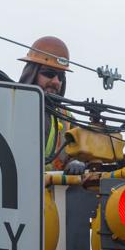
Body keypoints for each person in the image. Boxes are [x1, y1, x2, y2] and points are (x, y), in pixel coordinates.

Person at [18, 36, 85, 173]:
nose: (56, 81)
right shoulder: (12, 108)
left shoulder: (67, 119)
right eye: (49, 74)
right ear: (32, 73)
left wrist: (78, 163)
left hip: (53, 192)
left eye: (60, 77)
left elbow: (79, 154)